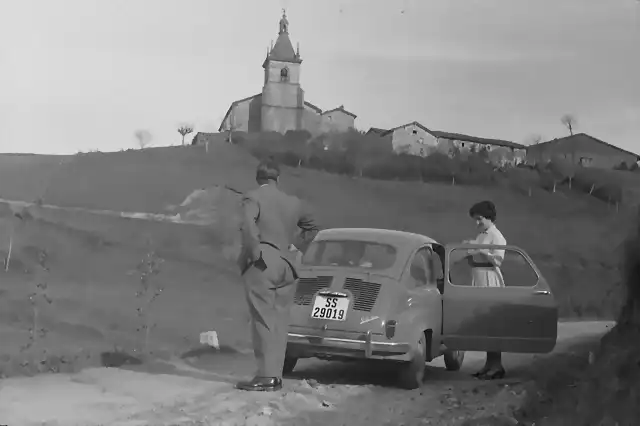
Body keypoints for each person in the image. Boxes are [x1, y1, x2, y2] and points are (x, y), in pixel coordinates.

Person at [235, 158, 318, 392]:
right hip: (287, 264)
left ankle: (265, 376)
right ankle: (276, 375)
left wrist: (256, 258)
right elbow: (314, 227)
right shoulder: (293, 202)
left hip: (263, 263)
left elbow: (248, 228)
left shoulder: (252, 198)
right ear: (277, 179)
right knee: (280, 321)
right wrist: (298, 247)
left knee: (262, 318)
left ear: (257, 178)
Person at [465, 200, 507, 380]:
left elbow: (497, 260)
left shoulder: (496, 236)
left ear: (489, 217)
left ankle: (496, 366)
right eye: (475, 220)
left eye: (479, 219)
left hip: (490, 280)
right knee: (484, 326)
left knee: (492, 326)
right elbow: (476, 256)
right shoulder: (482, 235)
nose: (477, 223)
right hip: (479, 278)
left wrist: (479, 250)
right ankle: (488, 365)